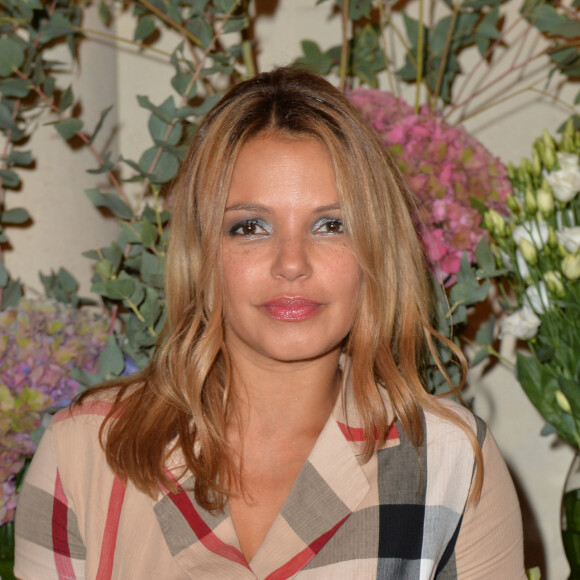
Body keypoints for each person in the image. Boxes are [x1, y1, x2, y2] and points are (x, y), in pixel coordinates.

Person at [14, 67, 525, 579]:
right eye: (250, 227)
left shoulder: (449, 461)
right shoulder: (84, 452)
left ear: (375, 249)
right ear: (202, 253)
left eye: (331, 224)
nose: (291, 263)